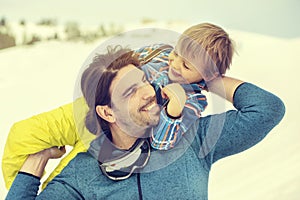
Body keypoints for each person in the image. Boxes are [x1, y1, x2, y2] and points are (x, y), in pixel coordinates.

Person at [5, 43, 285, 199]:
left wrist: (201, 76)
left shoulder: (189, 141)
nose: (148, 93)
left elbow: (267, 109)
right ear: (107, 112)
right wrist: (33, 166)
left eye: (144, 82)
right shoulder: (83, 174)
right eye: (130, 91)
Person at [136, 23, 233, 150]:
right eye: (176, 53)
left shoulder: (193, 101)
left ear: (208, 75)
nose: (174, 64)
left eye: (186, 66)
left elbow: (160, 143)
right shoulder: (159, 53)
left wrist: (173, 111)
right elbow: (119, 62)